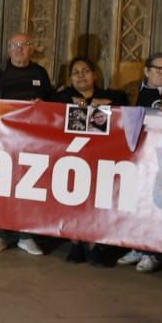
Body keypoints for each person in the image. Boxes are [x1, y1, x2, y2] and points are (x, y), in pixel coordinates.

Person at [0, 33, 53, 254]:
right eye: (15, 45)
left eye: (24, 45)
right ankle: (0, 235)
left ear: (32, 49)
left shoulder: (40, 73)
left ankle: (26, 234)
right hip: (3, 137)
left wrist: (42, 104)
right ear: (8, 49)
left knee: (28, 187)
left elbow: (51, 102)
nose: (19, 49)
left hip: (31, 140)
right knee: (2, 185)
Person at [116, 51, 162, 272]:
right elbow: (118, 112)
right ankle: (136, 245)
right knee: (134, 202)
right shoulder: (130, 89)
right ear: (147, 70)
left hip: (161, 156)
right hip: (133, 153)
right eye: (159, 69)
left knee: (155, 204)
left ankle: (152, 252)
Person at [54, 56, 125, 265]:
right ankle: (76, 241)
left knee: (99, 197)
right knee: (73, 195)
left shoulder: (111, 95)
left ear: (94, 75)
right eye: (75, 72)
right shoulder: (63, 96)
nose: (81, 76)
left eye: (85, 71)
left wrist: (104, 104)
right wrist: (75, 102)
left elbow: (126, 109)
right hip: (71, 159)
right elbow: (47, 108)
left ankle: (94, 242)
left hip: (101, 159)